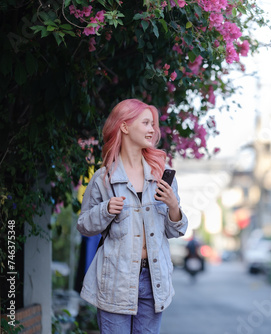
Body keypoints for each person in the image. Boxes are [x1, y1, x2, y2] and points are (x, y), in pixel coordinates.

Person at [76, 99, 188, 334]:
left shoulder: (160, 176)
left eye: (153, 124)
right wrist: (105, 210)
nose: (152, 129)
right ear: (124, 126)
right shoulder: (103, 178)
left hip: (154, 279)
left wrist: (173, 206)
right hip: (115, 279)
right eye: (146, 123)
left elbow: (176, 230)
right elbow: (84, 225)